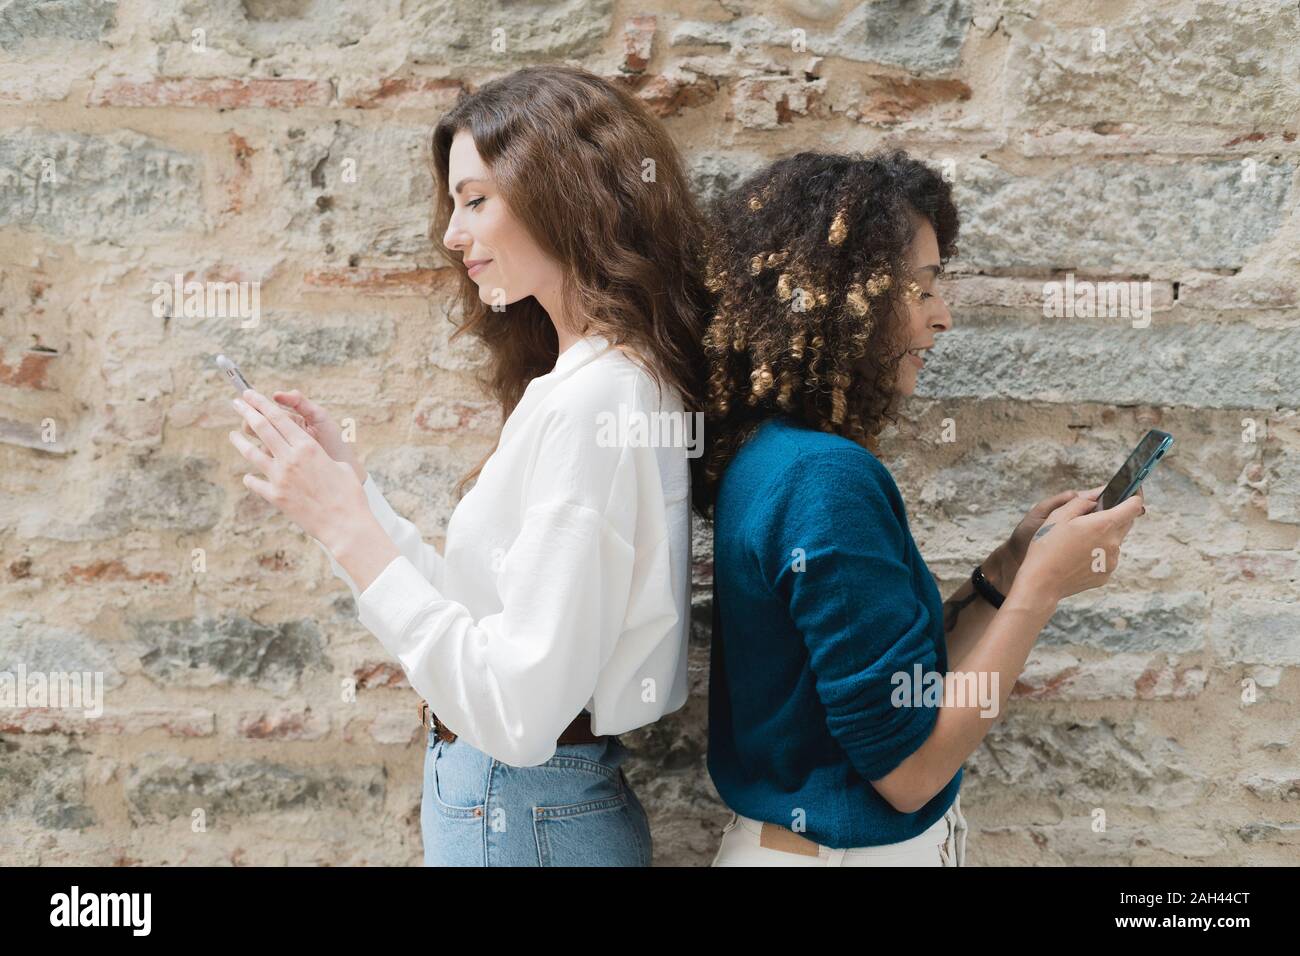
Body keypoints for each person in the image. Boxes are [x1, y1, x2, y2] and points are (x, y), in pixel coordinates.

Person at [226, 65, 710, 866]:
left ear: (565, 193)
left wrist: (345, 528)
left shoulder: (597, 398)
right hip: (518, 806)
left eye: (476, 200)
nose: (452, 235)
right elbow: (483, 625)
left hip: (518, 806)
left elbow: (517, 710)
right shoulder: (588, 382)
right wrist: (351, 498)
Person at [697, 149, 1146, 866]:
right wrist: (1042, 589)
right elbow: (909, 775)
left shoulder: (778, 456)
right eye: (921, 289)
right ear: (839, 296)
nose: (943, 317)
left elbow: (896, 688)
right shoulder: (826, 480)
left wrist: (1006, 572)